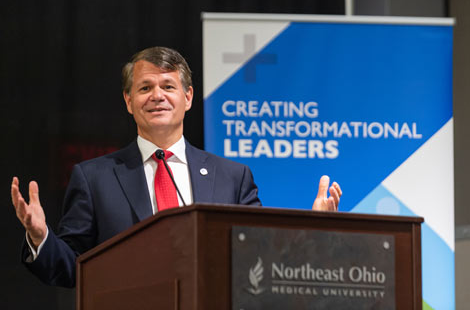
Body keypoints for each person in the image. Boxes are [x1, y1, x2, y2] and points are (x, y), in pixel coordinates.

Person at [11, 46, 342, 288]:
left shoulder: (233, 177)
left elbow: (262, 259)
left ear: (188, 97)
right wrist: (42, 239)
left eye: (168, 86)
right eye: (145, 88)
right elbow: (71, 269)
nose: (157, 95)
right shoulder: (94, 177)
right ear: (128, 101)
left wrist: (311, 229)